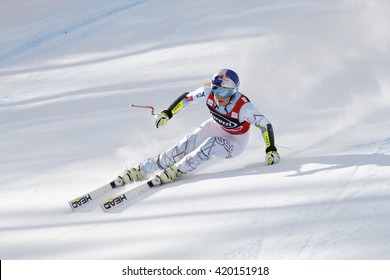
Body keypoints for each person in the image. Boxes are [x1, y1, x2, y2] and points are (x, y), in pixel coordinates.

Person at [111, 69, 280, 188]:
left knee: (210, 144)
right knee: (184, 146)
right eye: (217, 89)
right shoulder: (207, 93)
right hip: (216, 126)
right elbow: (186, 98)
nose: (220, 96)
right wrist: (167, 114)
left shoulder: (244, 108)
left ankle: (177, 170)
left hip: (235, 141)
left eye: (226, 92)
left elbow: (265, 125)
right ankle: (145, 169)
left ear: (234, 92)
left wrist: (270, 149)